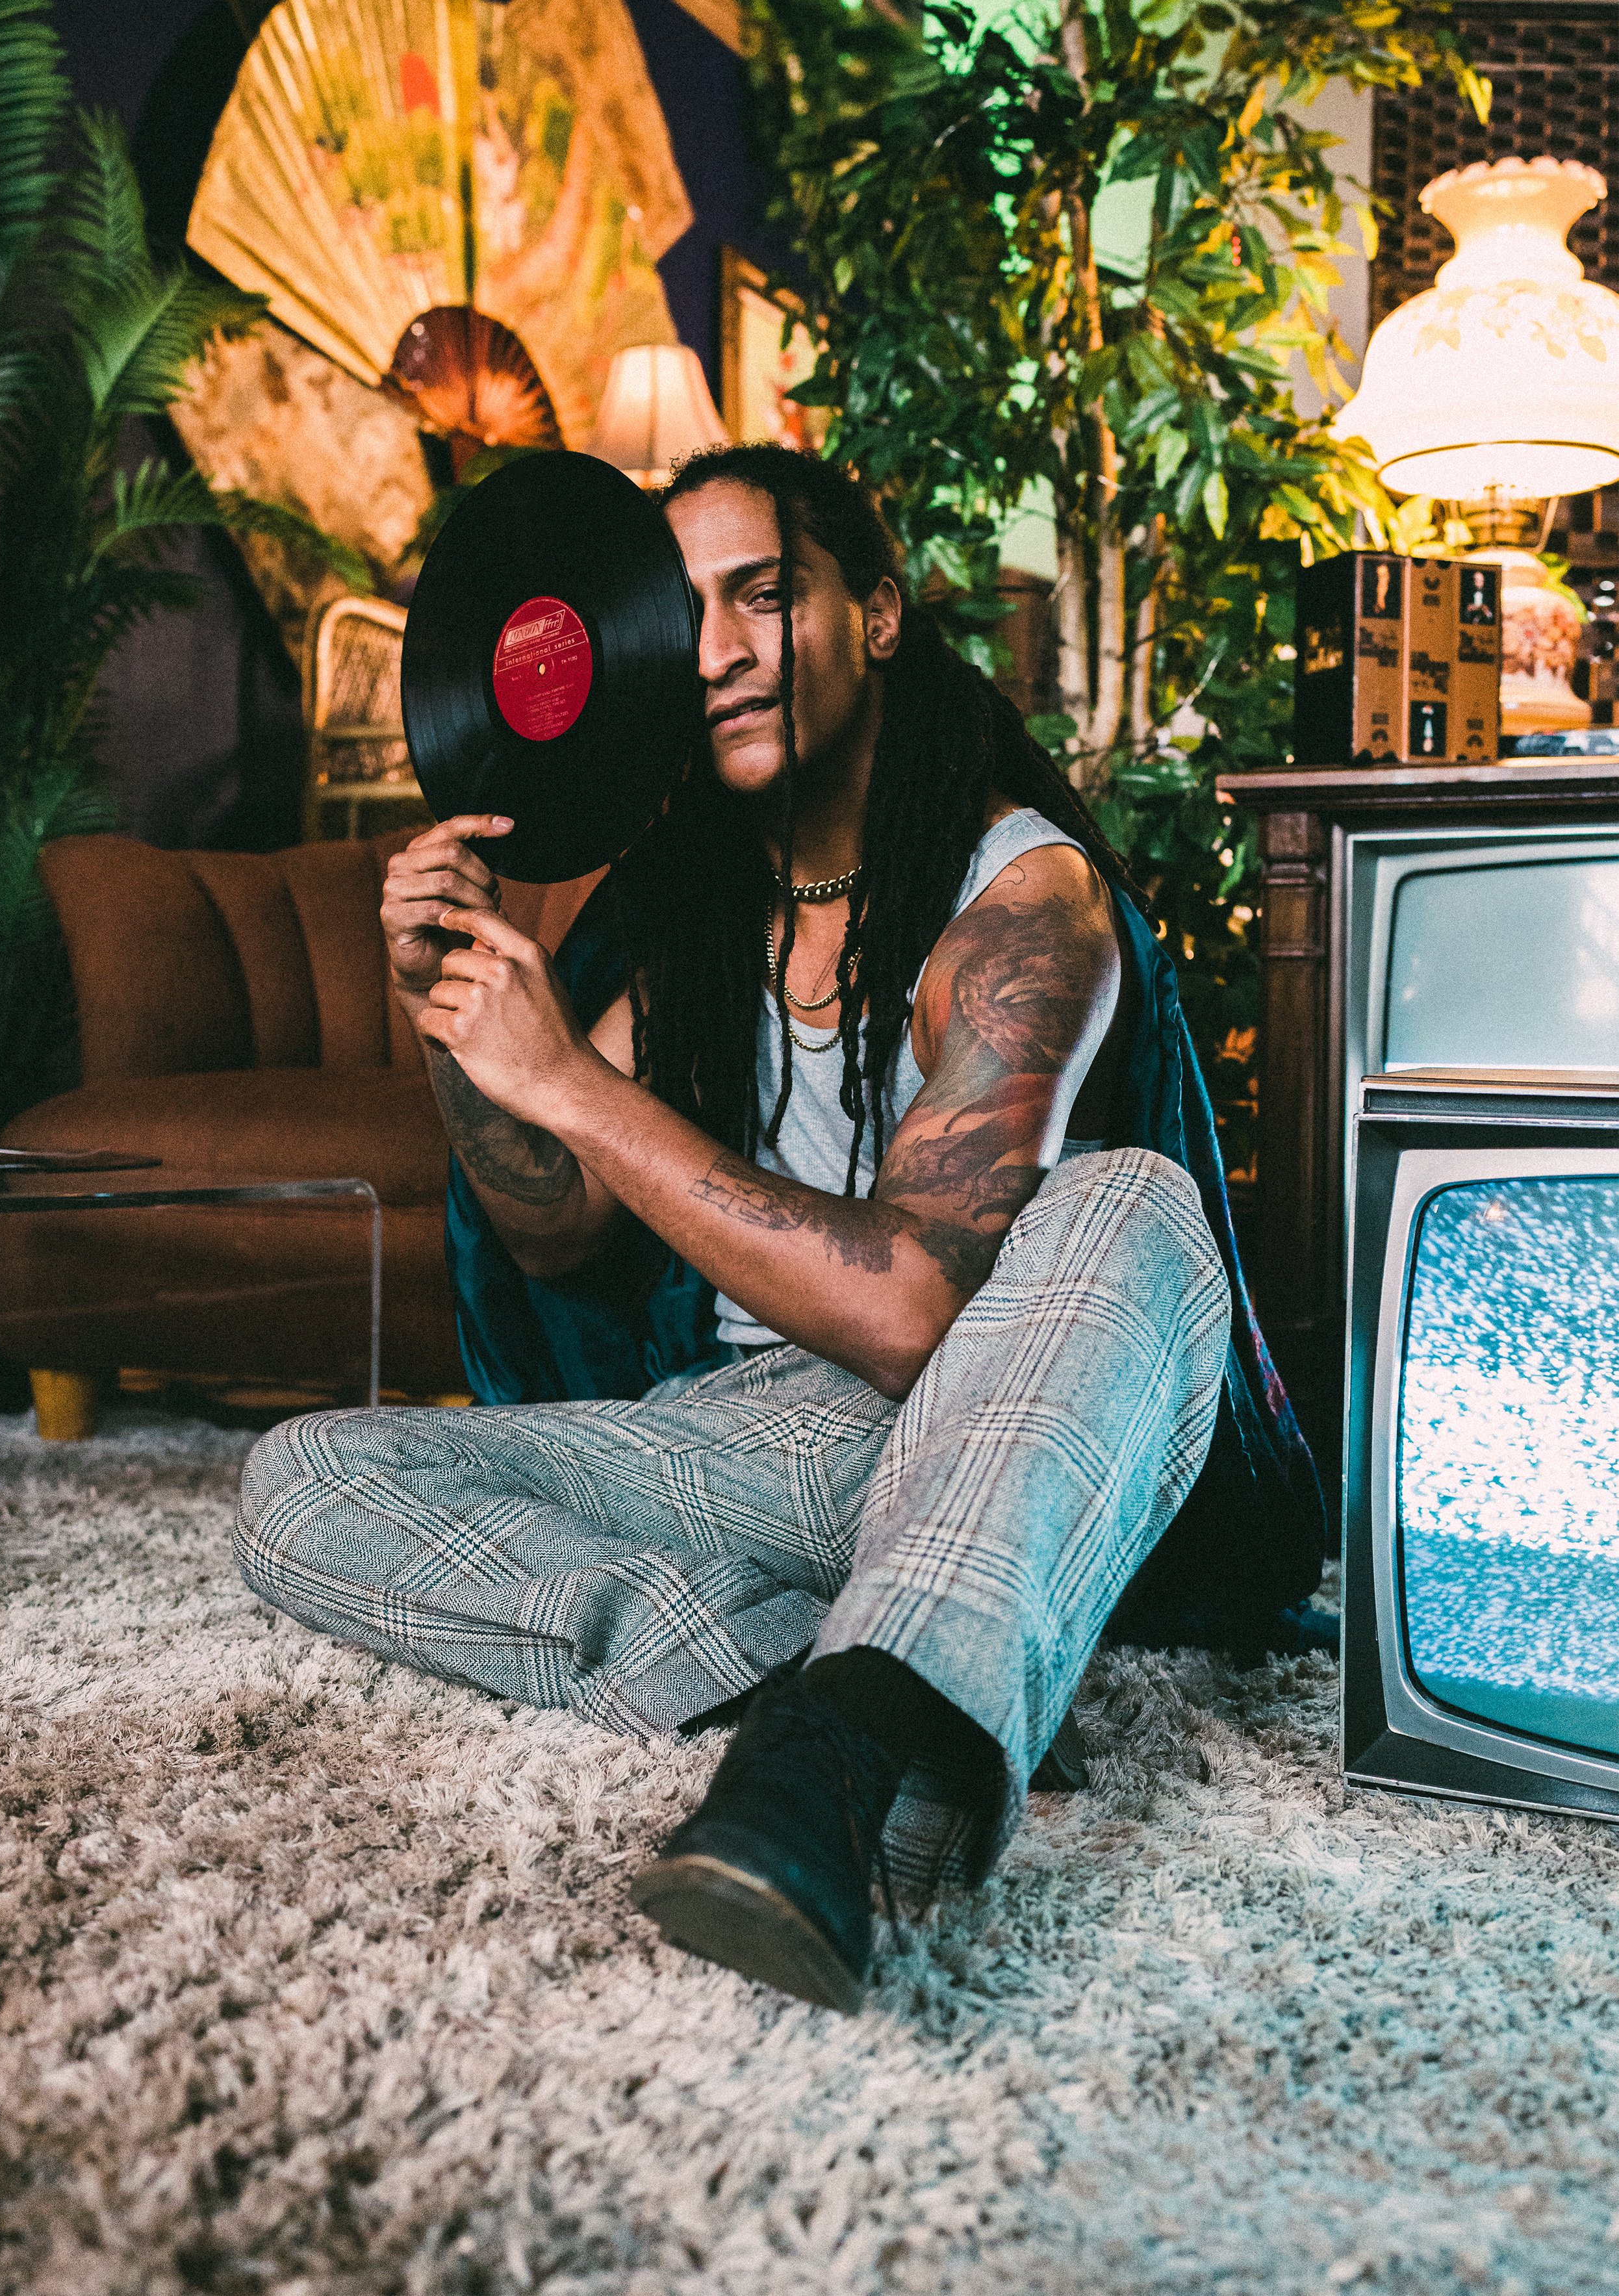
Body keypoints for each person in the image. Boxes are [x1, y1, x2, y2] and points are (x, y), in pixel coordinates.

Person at [238, 446, 1321, 2015]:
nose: (720, 653)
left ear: (872, 614)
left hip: (999, 1412)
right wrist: (455, 1016)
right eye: (686, 616)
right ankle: (816, 1669)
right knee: (305, 1478)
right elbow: (551, 1230)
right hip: (757, 1445)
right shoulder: (692, 909)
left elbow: (910, 1316)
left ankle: (839, 1761)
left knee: (1129, 1208)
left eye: (762, 595)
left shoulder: (1020, 898)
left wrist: (574, 1084)